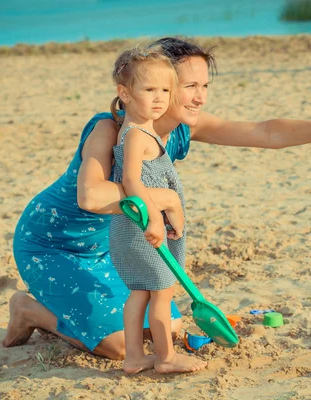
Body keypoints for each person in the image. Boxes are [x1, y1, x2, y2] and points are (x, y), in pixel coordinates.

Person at [3, 37, 311, 368]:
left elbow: (266, 132)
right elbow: (91, 196)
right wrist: (165, 198)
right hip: (52, 245)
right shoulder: (110, 128)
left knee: (167, 328)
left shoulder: (181, 129)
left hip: (113, 246)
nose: (199, 97)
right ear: (157, 83)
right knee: (121, 347)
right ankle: (30, 310)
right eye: (189, 86)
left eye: (205, 86)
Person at [106, 47, 207, 374]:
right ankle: (165, 357)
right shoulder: (136, 134)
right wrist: (153, 218)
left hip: (133, 227)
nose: (159, 97)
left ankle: (135, 357)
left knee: (140, 291)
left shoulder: (144, 128)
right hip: (141, 227)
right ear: (125, 93)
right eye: (149, 90)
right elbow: (132, 182)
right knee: (163, 291)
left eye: (165, 90)